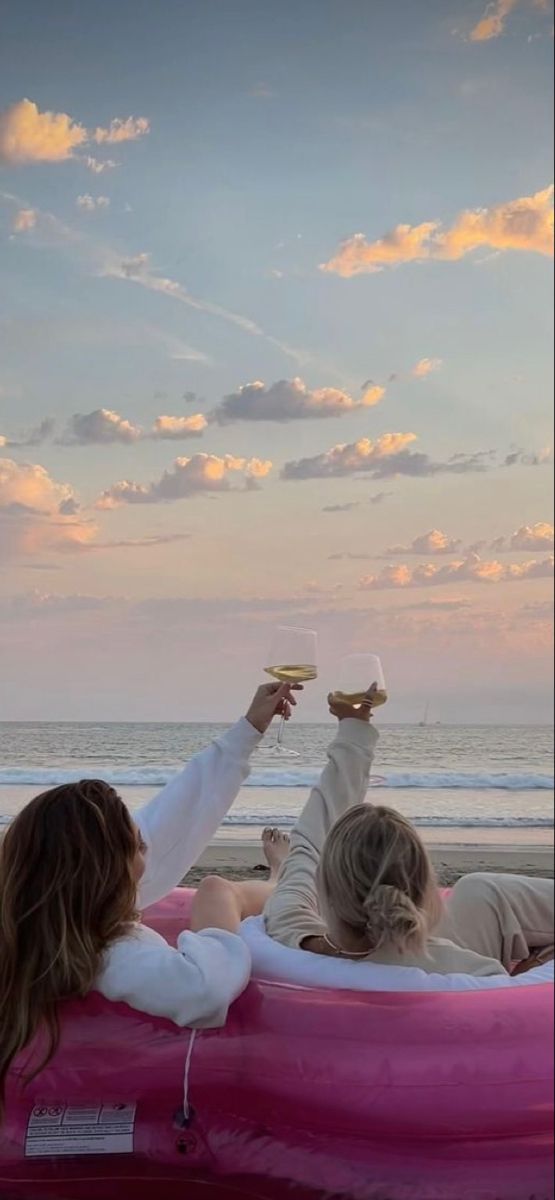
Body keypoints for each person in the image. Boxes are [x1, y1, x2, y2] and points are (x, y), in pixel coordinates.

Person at [0, 681, 298, 1120]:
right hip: (121, 1114)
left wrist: (249, 730)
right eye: (138, 849)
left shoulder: (43, 920)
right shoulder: (112, 954)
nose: (149, 853)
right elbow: (202, 991)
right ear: (110, 875)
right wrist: (213, 930)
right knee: (219, 889)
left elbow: (172, 818)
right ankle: (283, 878)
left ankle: (280, 877)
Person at [264, 687, 554, 977]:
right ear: (425, 888)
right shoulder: (474, 974)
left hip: (403, 953)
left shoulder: (289, 931)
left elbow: (308, 846)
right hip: (437, 966)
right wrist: (536, 966)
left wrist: (353, 731)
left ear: (323, 885)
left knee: (480, 890)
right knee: (484, 890)